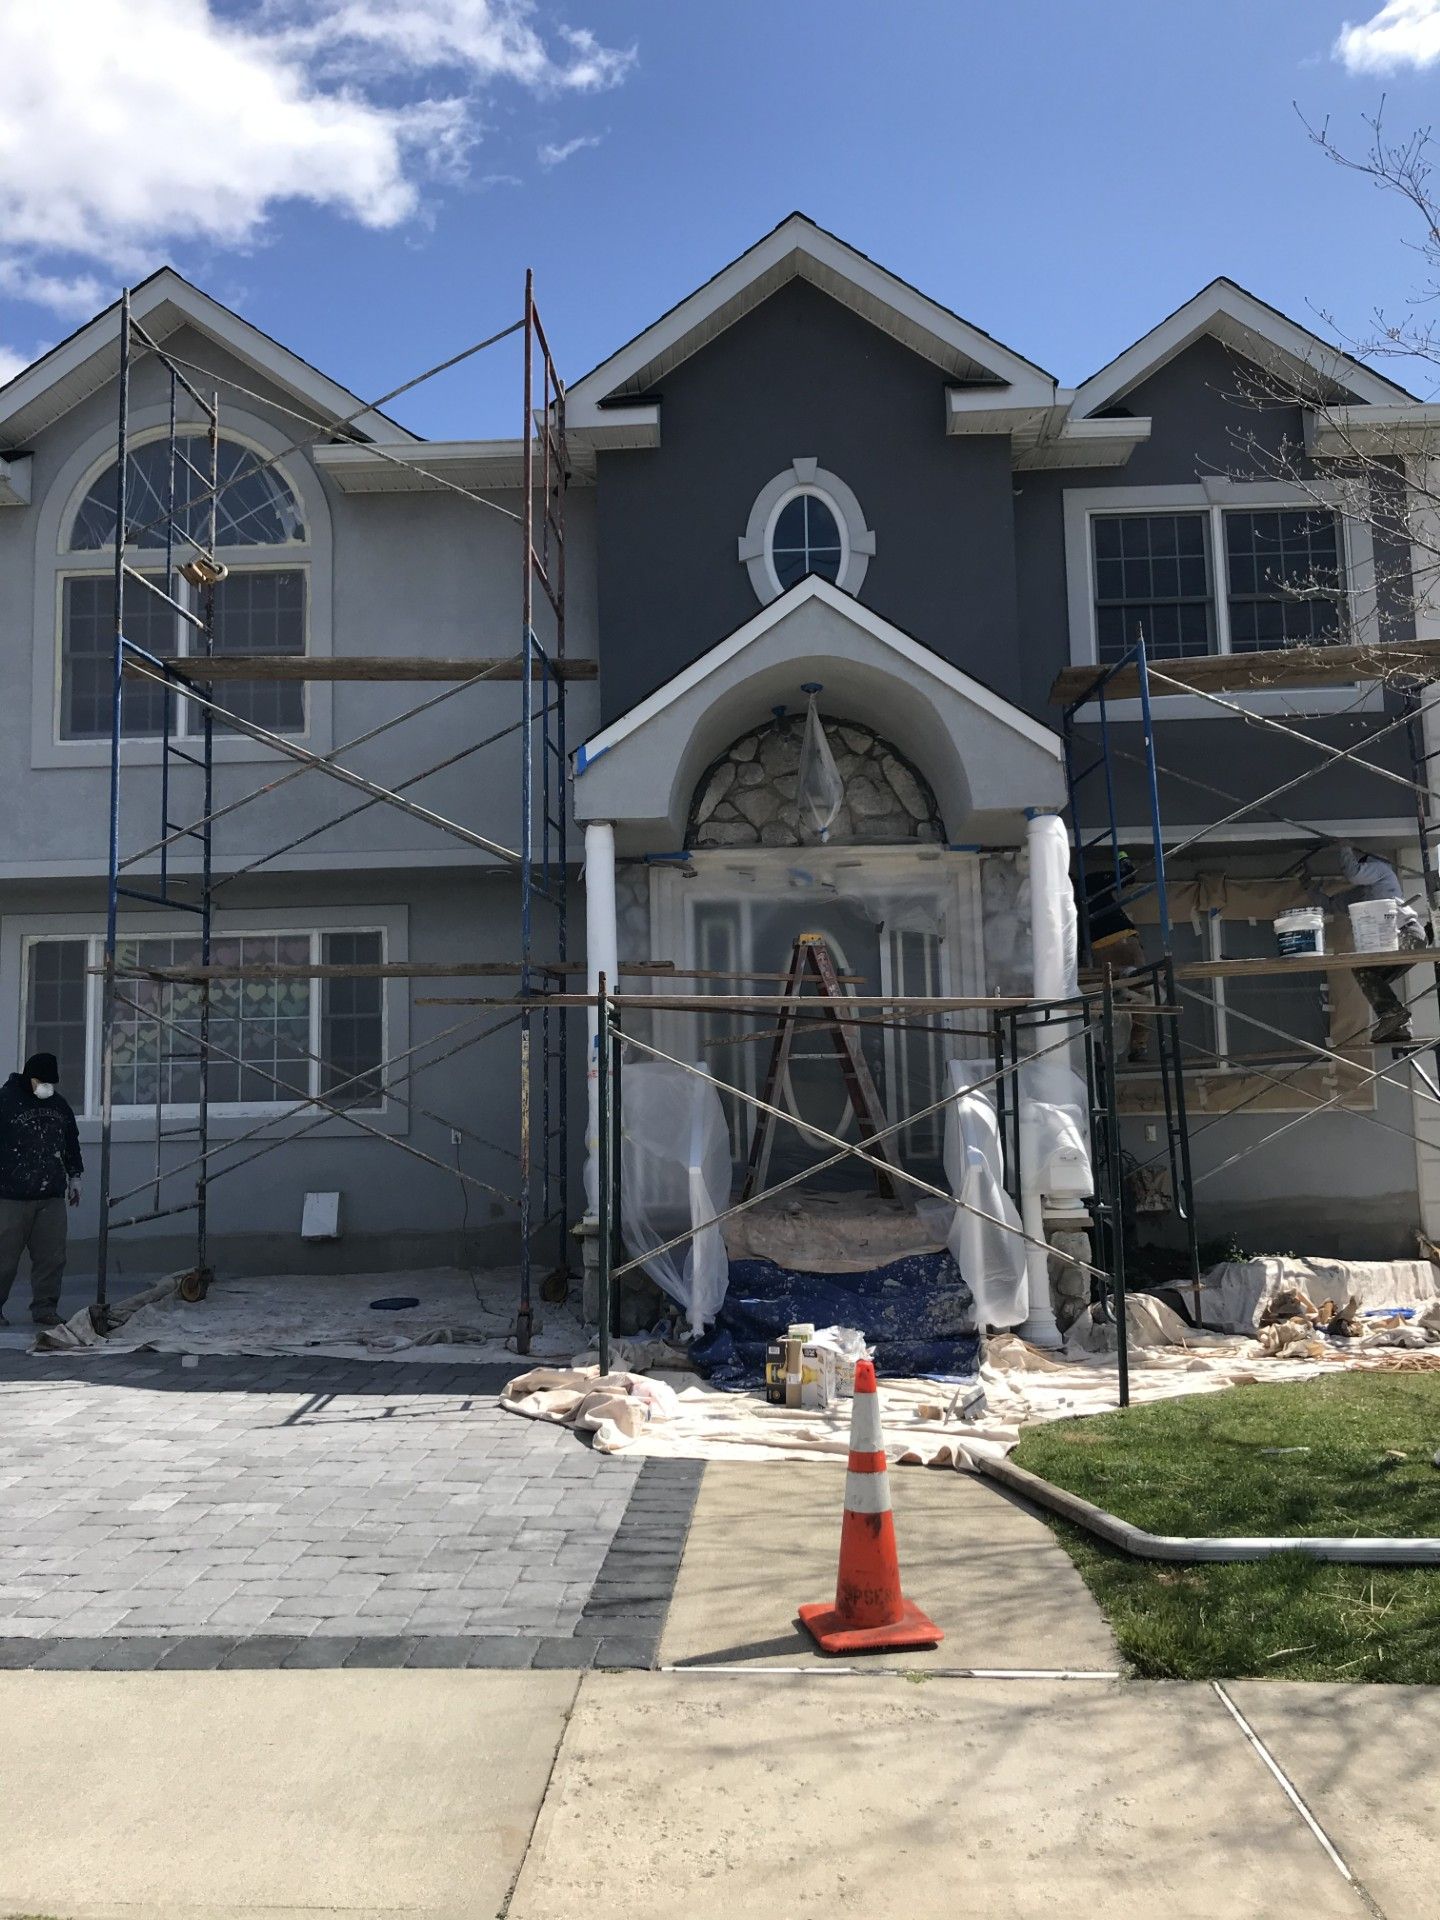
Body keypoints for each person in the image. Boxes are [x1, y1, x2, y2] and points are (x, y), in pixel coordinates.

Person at [1311, 845, 1428, 1046]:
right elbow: (1332, 905)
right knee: (1366, 972)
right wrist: (1309, 888)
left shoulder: (1383, 871)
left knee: (1366, 969)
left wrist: (1343, 846)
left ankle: (1393, 1015)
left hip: (1408, 934)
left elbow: (1354, 873)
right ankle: (1398, 1024)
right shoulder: (1364, 894)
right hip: (1399, 941)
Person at [0, 1051, 83, 1328]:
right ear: (28, 1078)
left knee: (52, 1257)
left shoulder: (59, 1106)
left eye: (51, 1082)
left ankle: (45, 1307)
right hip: (10, 1195)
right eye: (41, 1081)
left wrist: (75, 1178)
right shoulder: (5, 1102)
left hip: (50, 1195)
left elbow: (71, 1142)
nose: (47, 1087)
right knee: (4, 1259)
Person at [1082, 852, 1151, 1063]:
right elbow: (1128, 876)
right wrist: (1122, 858)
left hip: (1096, 953)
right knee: (1142, 994)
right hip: (1122, 944)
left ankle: (1102, 1054)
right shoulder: (1090, 882)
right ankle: (1138, 1046)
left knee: (1104, 1003)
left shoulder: (1061, 900)